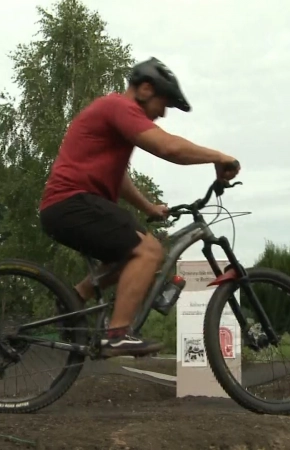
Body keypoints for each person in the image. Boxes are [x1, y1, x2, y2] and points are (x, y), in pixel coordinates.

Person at [38, 57, 240, 357]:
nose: (162, 114)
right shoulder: (120, 107)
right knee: (151, 251)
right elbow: (167, 147)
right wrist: (218, 156)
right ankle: (118, 335)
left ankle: (76, 296)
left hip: (68, 206)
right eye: (164, 103)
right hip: (73, 201)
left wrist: (148, 207)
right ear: (145, 89)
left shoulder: (114, 120)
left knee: (136, 251)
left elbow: (118, 180)